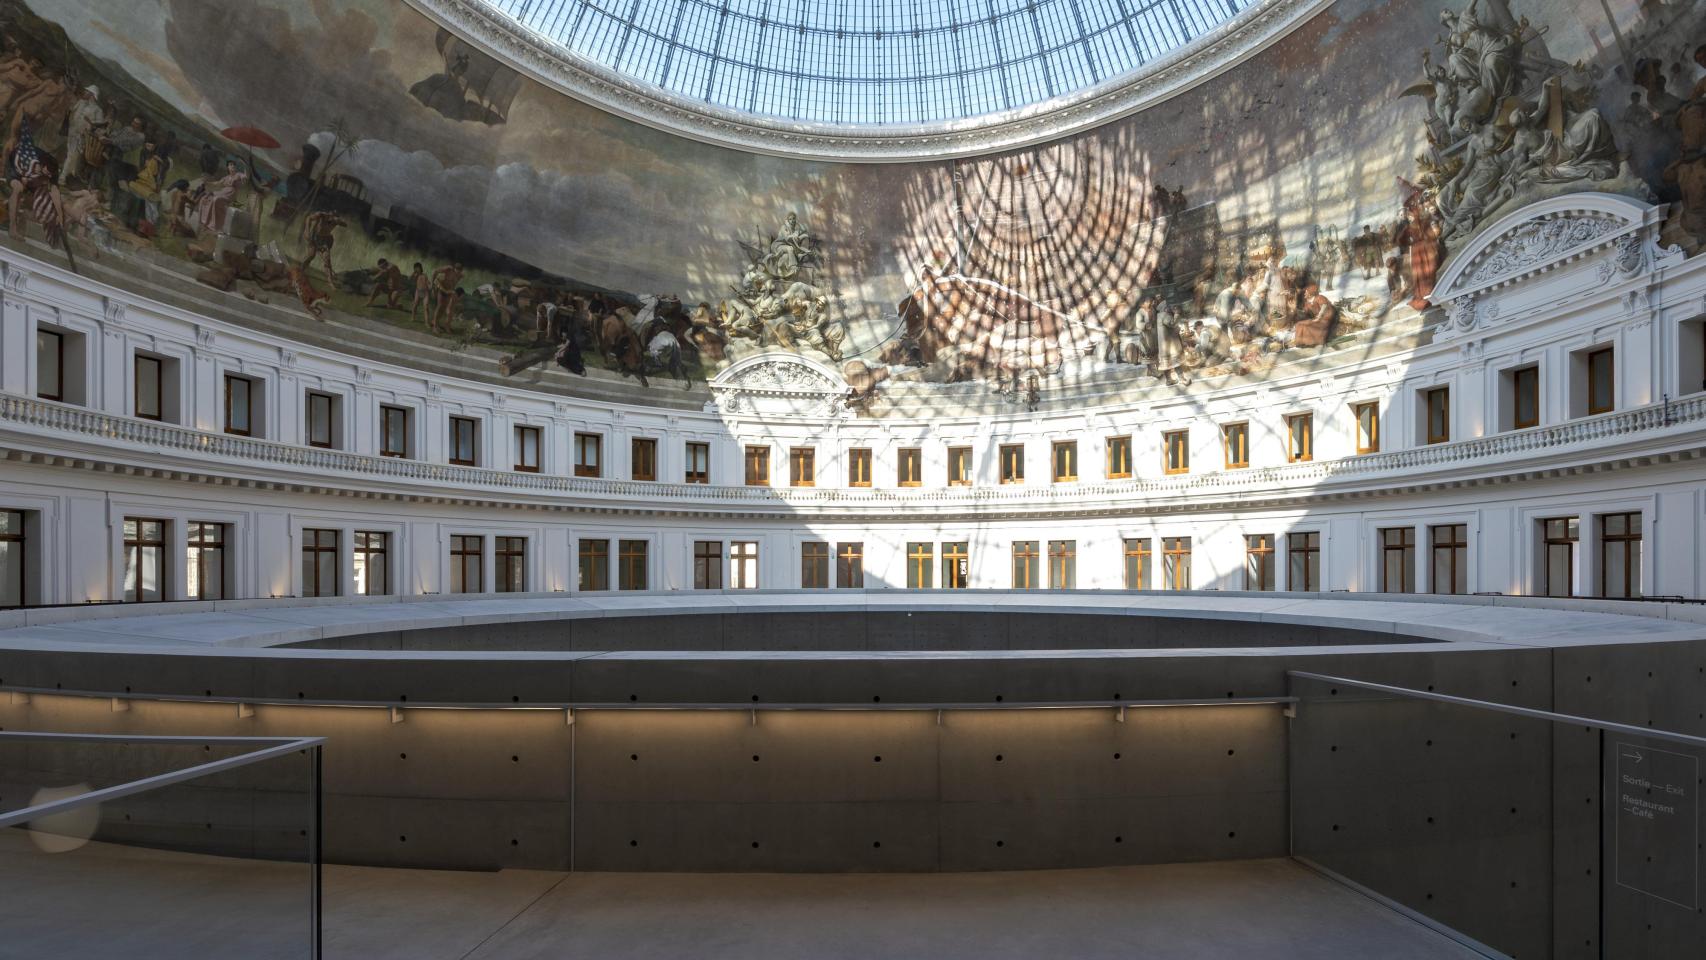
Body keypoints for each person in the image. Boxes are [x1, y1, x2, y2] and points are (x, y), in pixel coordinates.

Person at [61, 85, 104, 185]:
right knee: (71, 155)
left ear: (92, 95)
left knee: (73, 157)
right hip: (72, 133)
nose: (85, 92)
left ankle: (64, 177)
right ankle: (66, 177)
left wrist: (90, 126)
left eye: (87, 91)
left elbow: (99, 127)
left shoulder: (98, 110)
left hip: (84, 137)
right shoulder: (80, 102)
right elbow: (71, 111)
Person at [194, 158, 245, 235]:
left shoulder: (238, 174)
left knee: (216, 199)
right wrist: (207, 182)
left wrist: (244, 173)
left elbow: (244, 176)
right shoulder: (226, 177)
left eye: (234, 165)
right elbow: (217, 183)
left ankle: (215, 226)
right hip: (223, 192)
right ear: (227, 167)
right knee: (205, 197)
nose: (233, 166)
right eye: (230, 165)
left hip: (230, 195)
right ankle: (203, 221)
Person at [303, 210, 345, 288]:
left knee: (327, 260)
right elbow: (309, 218)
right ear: (330, 215)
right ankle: (301, 270)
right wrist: (307, 230)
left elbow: (345, 224)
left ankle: (330, 282)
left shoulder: (336, 221)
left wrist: (340, 221)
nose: (332, 219)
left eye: (335, 217)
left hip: (324, 240)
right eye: (332, 217)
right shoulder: (322, 215)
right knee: (311, 256)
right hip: (314, 237)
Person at [428, 262, 464, 333]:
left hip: (448, 292)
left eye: (460, 270)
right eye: (457, 269)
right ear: (454, 269)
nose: (458, 271)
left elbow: (454, 284)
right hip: (441, 289)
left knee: (443, 309)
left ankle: (435, 323)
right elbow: (435, 272)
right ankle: (434, 327)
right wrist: (432, 285)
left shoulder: (460, 276)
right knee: (439, 307)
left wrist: (451, 291)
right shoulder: (448, 269)